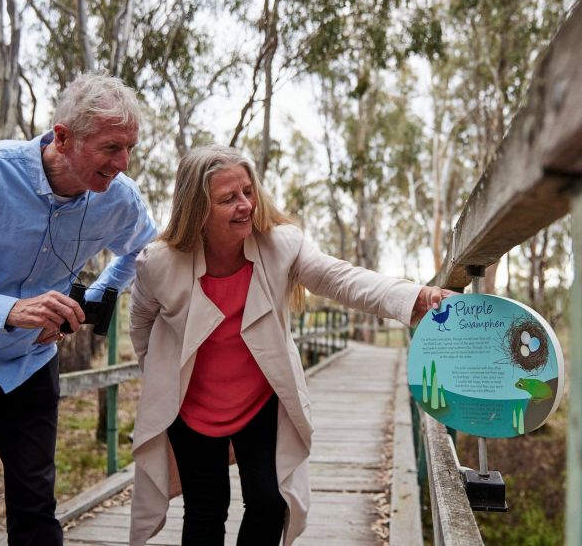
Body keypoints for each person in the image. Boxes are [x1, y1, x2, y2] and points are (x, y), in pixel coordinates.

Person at [128, 145, 452, 546]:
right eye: (228, 199)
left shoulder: (280, 245)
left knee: (268, 502)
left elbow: (341, 278)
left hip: (258, 402)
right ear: (198, 211)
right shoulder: (158, 263)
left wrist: (414, 298)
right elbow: (140, 323)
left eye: (248, 191)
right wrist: (159, 378)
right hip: (191, 409)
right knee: (206, 509)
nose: (245, 205)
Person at [0, 73, 157, 545]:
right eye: (110, 148)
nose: (122, 163)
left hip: (29, 362)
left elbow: (144, 250)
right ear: (62, 138)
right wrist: (10, 310)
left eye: (130, 148)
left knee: (35, 503)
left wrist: (95, 298)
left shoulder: (120, 201)